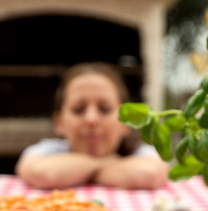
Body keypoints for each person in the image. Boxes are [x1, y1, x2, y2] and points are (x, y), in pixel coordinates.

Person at [15, 62, 169, 189]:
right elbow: (41, 173)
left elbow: (150, 174)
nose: (91, 119)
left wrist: (73, 171)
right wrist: (104, 163)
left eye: (105, 109)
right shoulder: (50, 149)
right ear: (59, 123)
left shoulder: (141, 151)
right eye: (78, 110)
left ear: (126, 123)